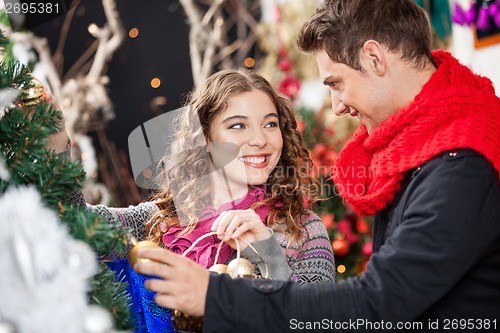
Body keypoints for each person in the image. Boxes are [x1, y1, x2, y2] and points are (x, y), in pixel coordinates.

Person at [133, 0, 500, 332]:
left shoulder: (461, 166)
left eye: (336, 83)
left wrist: (216, 297)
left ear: (374, 58)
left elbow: (379, 302)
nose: (337, 105)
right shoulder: (423, 147)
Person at [52, 68, 335, 284]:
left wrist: (267, 251)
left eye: (270, 124)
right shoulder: (161, 222)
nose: (260, 139)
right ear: (205, 140)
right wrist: (56, 142)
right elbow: (75, 222)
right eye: (238, 126)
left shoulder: (305, 230)